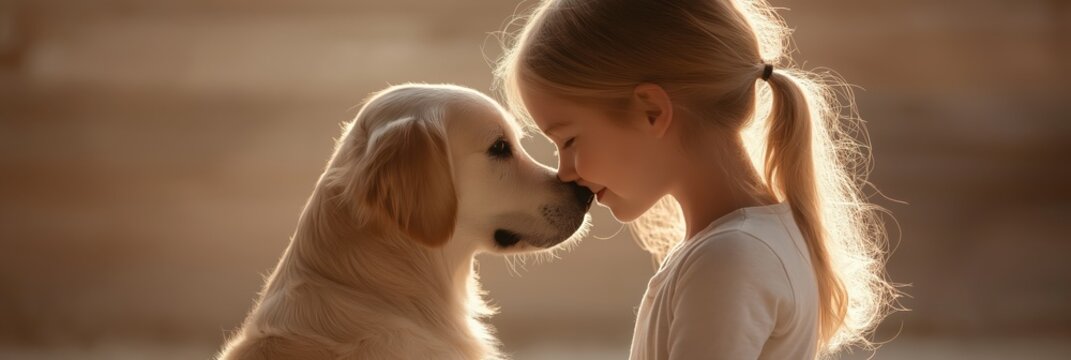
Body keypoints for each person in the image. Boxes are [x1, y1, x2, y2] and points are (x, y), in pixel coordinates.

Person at [493, 0, 898, 359]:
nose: (565, 172)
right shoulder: (750, 243)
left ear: (652, 111)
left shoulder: (729, 259)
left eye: (568, 140)